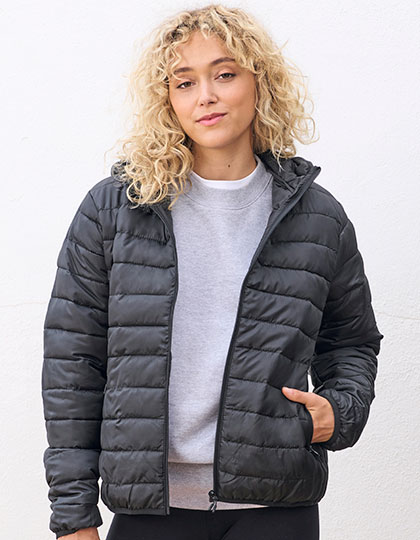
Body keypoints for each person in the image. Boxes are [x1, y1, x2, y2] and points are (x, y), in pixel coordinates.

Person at [41, 4, 384, 540]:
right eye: (184, 82)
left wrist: (340, 412)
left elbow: (352, 341)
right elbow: (72, 365)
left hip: (276, 505)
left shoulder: (318, 217)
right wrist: (73, 516)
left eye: (224, 74)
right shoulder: (115, 210)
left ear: (259, 82)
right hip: (151, 509)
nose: (205, 96)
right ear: (167, 100)